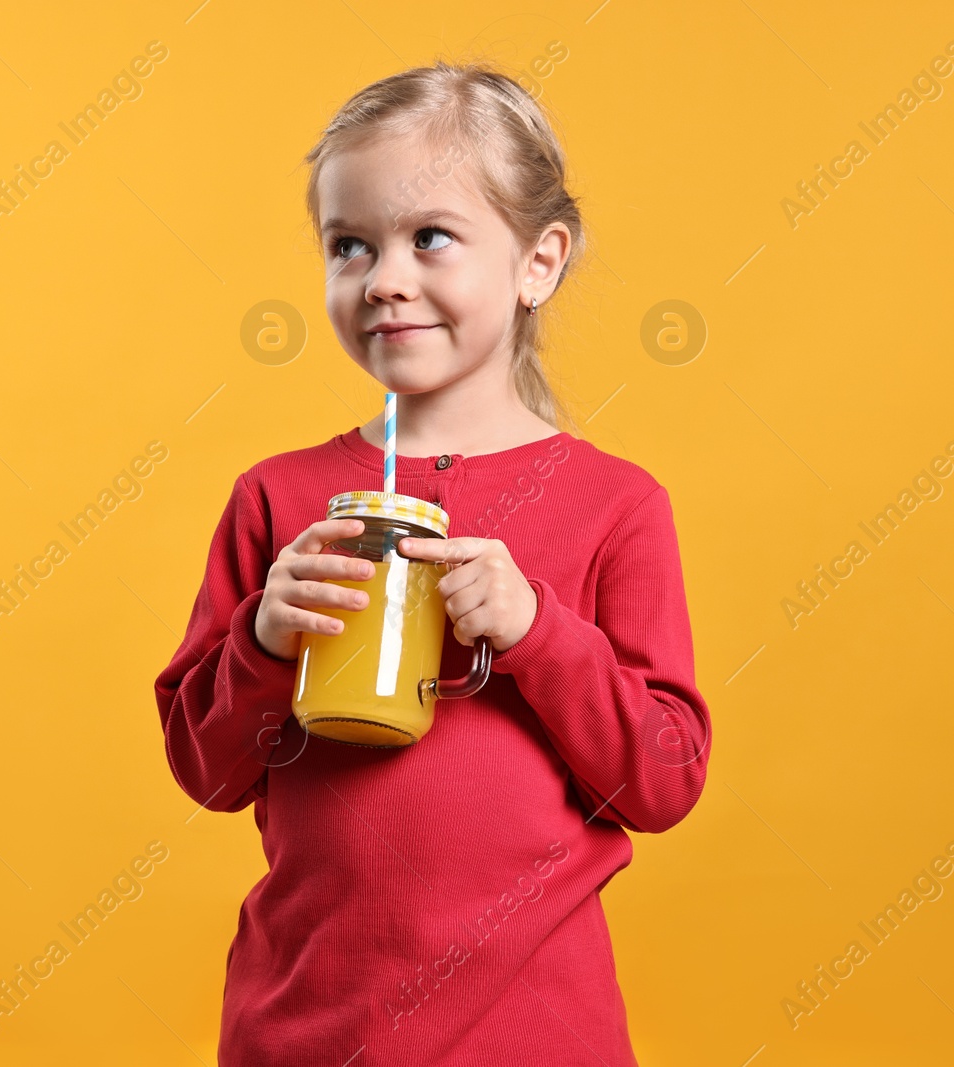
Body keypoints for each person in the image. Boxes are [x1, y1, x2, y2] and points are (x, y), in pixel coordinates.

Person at [153, 60, 710, 1066]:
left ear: (538, 261)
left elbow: (664, 780)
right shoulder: (276, 498)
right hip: (302, 1025)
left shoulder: (617, 506)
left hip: (534, 1034)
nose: (384, 279)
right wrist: (264, 637)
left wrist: (539, 632)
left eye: (430, 238)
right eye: (350, 245)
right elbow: (206, 769)